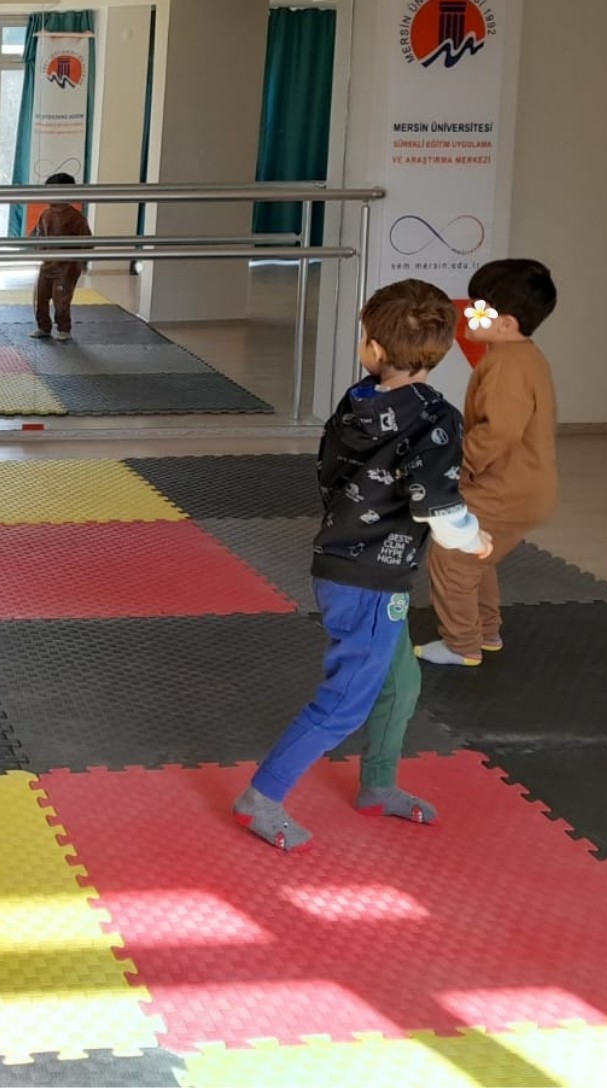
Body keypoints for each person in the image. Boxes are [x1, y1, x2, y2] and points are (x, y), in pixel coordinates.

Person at [232, 280, 493, 852]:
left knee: (400, 683)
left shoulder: (359, 401)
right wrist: (473, 539)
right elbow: (438, 506)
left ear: (374, 349)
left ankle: (378, 785)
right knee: (345, 701)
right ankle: (261, 797)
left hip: (347, 565)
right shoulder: (437, 419)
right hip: (370, 581)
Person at [415, 259, 560, 666]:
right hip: (520, 484)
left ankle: (462, 644)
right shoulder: (522, 357)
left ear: (507, 323)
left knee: (451, 557)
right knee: (478, 553)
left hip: (504, 488)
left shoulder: (507, 366)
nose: (468, 314)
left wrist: (457, 466)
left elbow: (498, 432)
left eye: (479, 310)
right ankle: (485, 630)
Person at [29, 173, 93, 342]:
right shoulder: (45, 214)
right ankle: (43, 327)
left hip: (66, 267)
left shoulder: (76, 217)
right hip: (47, 266)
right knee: (41, 297)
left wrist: (83, 261)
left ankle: (64, 328)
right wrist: (36, 248)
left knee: (61, 300)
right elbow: (39, 235)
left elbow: (87, 240)